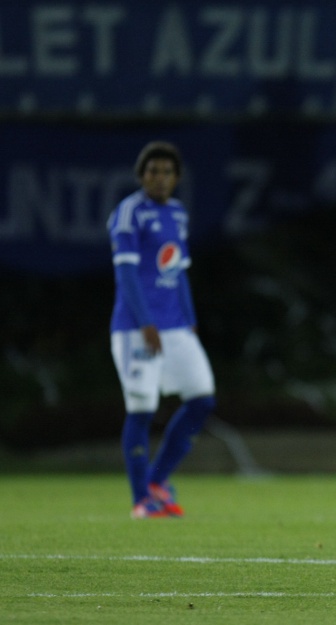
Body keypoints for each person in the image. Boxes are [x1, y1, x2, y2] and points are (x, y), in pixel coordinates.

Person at [108, 141, 217, 519]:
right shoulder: (128, 213)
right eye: (152, 170)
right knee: (141, 409)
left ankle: (157, 480)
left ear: (176, 178)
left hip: (175, 327)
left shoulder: (176, 213)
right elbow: (125, 274)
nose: (159, 177)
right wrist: (145, 323)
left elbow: (178, 271)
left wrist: (189, 317)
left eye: (167, 172)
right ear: (141, 176)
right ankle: (142, 500)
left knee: (202, 399)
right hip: (136, 328)